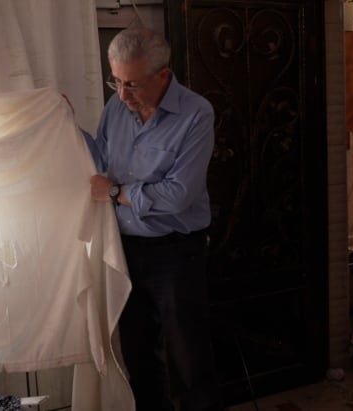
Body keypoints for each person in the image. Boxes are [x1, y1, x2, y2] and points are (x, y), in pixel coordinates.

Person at [82, 27, 223, 410]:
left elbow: (178, 195)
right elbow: (101, 165)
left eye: (133, 85)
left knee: (188, 359)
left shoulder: (196, 113)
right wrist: (63, 125)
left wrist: (116, 193)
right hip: (125, 246)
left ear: (163, 75)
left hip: (176, 253)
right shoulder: (116, 108)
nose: (123, 95)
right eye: (117, 82)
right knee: (139, 353)